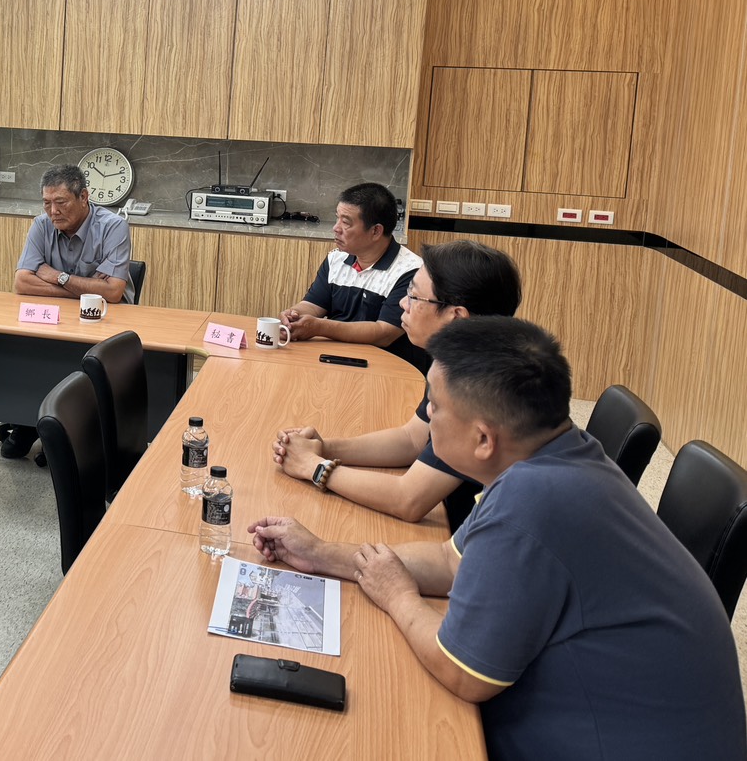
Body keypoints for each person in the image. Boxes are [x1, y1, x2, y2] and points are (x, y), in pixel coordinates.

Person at [250, 318, 747, 761]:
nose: (426, 417)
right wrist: (320, 554)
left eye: (435, 406)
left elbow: (463, 672)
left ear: (484, 439)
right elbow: (450, 562)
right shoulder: (559, 455)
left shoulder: (534, 498)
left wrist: (399, 597)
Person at [272, 240, 522, 530]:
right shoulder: (464, 359)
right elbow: (412, 439)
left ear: (456, 316)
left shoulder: (481, 388)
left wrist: (314, 467)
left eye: (414, 296)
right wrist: (324, 447)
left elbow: (409, 499)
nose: (403, 303)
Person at [1, 164, 133, 458]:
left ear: (84, 196)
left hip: (105, 322)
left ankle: (74, 435)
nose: (53, 211)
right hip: (57, 318)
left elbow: (113, 292)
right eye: (47, 203)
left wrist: (56, 276)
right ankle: (28, 421)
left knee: (85, 362)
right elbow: (22, 283)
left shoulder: (113, 227)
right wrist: (86, 289)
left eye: (60, 202)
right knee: (27, 351)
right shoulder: (41, 225)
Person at [280, 182, 426, 370]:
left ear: (376, 231)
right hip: (334, 360)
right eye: (337, 219)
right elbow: (313, 305)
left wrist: (319, 327)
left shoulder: (411, 271)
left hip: (384, 368)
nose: (336, 228)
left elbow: (384, 332)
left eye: (346, 223)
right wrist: (293, 316)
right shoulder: (336, 259)